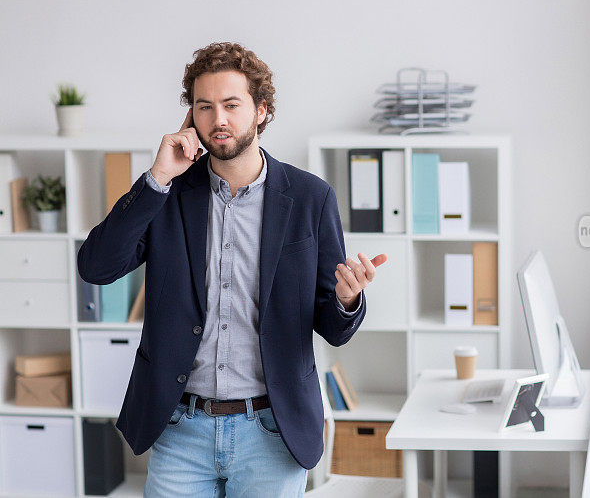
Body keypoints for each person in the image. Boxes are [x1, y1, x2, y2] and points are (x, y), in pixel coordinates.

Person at [77, 41, 387, 497]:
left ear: (261, 110)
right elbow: (96, 266)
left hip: (272, 432)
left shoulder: (309, 198)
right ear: (191, 117)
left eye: (231, 104)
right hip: (180, 429)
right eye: (204, 107)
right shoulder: (166, 195)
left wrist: (346, 299)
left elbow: (333, 327)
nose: (217, 119)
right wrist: (158, 178)